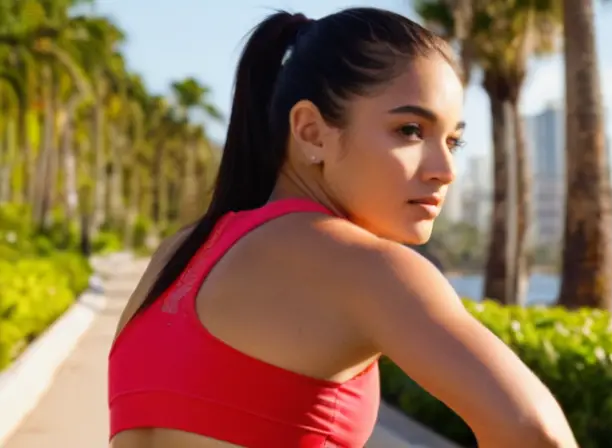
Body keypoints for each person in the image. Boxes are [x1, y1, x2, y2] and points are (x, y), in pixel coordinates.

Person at [108, 7, 578, 448]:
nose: (446, 168)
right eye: (410, 130)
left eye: (453, 140)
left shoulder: (176, 255)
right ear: (311, 131)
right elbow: (537, 433)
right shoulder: (368, 269)